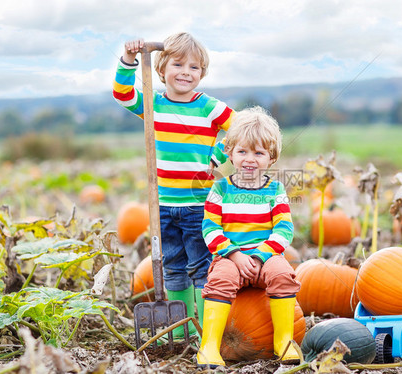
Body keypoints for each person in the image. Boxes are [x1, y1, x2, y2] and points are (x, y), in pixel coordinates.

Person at [113, 32, 234, 337]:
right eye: (178, 64)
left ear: (202, 74)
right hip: (162, 204)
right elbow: (123, 94)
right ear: (161, 67)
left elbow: (240, 128)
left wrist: (216, 158)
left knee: (201, 266)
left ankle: (207, 329)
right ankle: (182, 331)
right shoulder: (153, 103)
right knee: (173, 267)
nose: (186, 72)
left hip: (198, 204)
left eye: (194, 68)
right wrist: (129, 59)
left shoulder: (208, 107)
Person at [196, 106, 301, 368]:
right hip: (229, 256)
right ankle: (209, 345)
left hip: (265, 256)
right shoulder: (221, 188)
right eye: (242, 151)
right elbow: (210, 228)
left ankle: (284, 340)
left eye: (258, 152)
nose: (249, 159)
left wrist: (260, 256)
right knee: (221, 278)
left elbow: (284, 229)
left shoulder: (275, 189)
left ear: (271, 157)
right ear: (230, 153)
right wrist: (233, 254)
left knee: (283, 275)